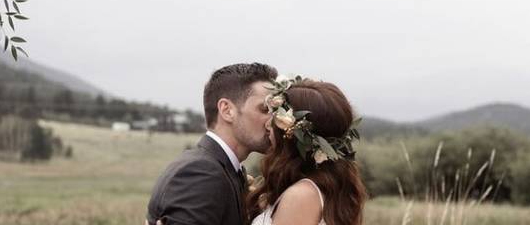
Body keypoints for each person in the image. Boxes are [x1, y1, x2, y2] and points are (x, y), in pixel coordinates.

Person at [146, 62, 277, 225]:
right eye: (264, 109)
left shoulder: (225, 169)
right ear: (227, 110)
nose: (273, 121)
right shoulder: (201, 173)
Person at [248, 76, 367, 225]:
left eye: (276, 117)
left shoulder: (301, 196)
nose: (268, 125)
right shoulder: (327, 186)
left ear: (293, 132)